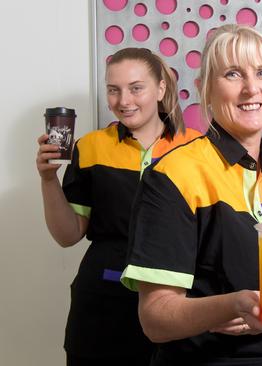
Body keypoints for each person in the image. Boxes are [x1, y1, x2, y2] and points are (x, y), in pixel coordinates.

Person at [120, 24, 262, 366]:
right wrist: (234, 306)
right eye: (232, 74)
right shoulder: (173, 176)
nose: (251, 89)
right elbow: (156, 318)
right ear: (206, 89)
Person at [36, 48, 202, 365]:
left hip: (178, 300)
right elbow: (68, 234)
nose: (123, 100)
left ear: (161, 89)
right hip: (102, 302)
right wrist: (47, 180)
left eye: (136, 88)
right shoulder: (91, 147)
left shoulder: (197, 148)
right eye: (114, 90)